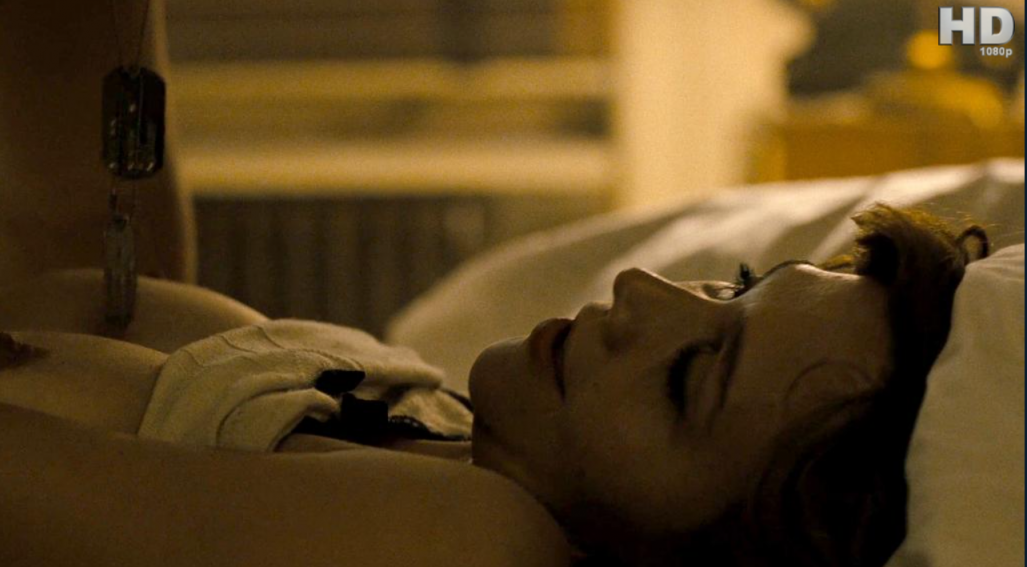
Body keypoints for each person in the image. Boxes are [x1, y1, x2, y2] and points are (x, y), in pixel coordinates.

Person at [0, 203, 987, 567]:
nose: (640, 290)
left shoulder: (472, 542)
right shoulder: (414, 405)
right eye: (730, 288)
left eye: (689, 376)